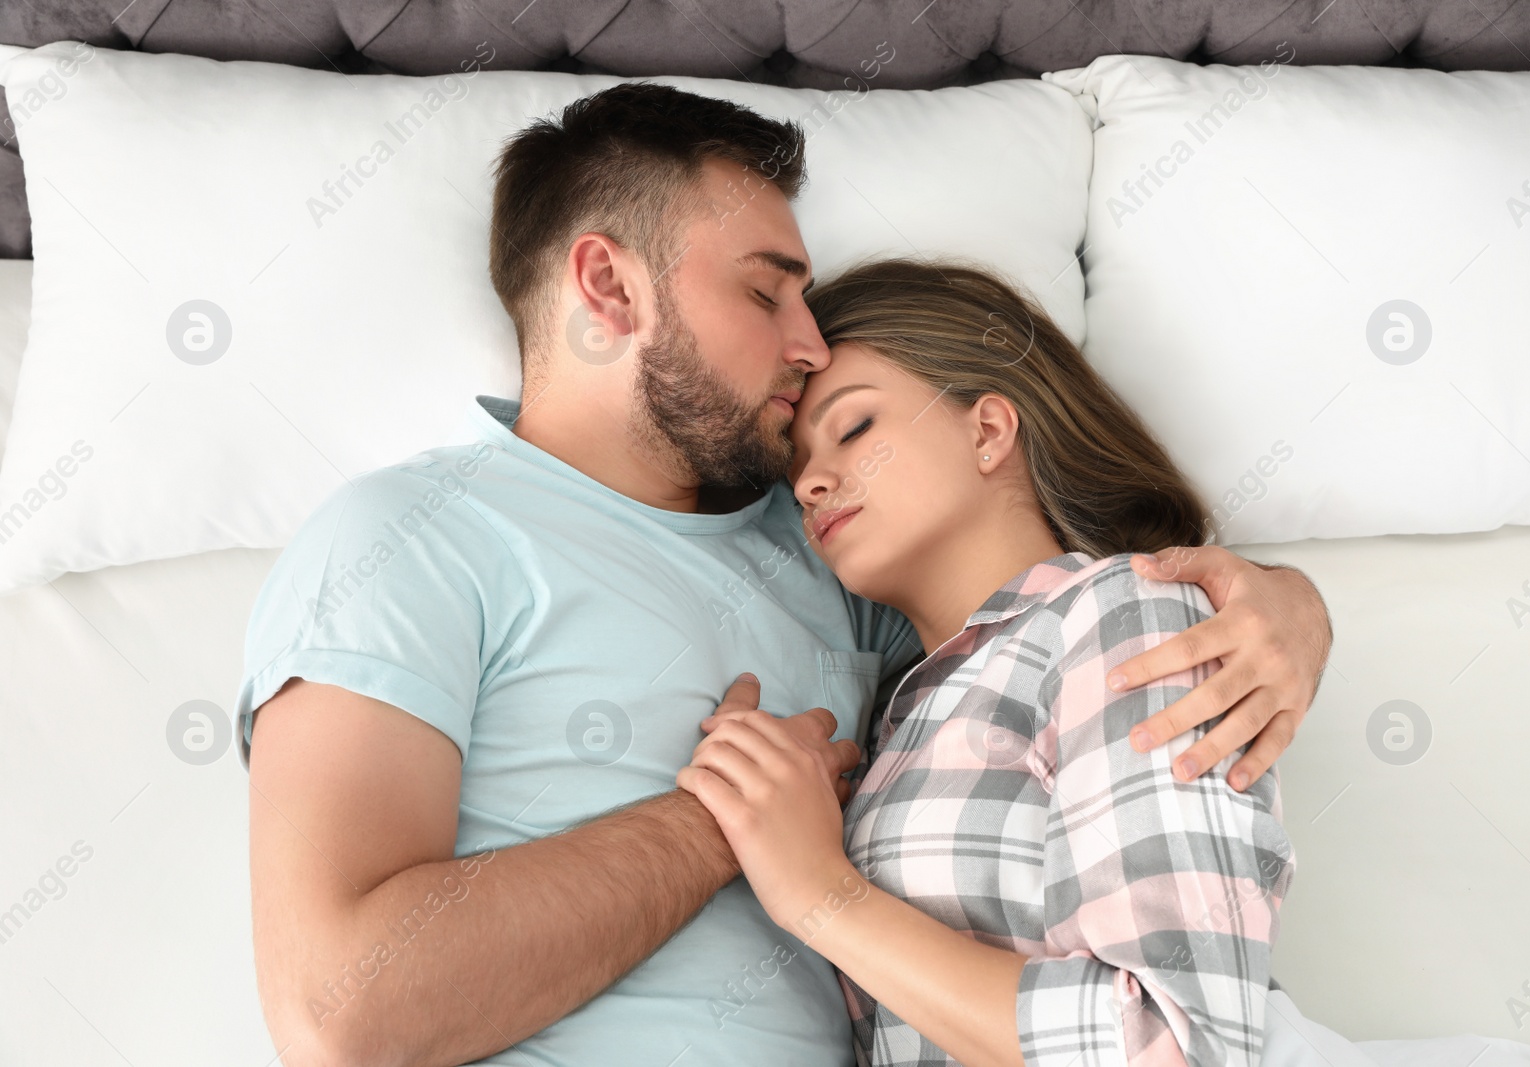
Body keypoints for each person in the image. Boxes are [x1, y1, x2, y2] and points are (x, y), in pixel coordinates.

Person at [236, 83, 1331, 1067]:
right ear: (608, 286)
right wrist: (721, 827)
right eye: (768, 295)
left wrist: (1285, 602)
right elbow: (343, 1014)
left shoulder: (829, 555)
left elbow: (1031, 612)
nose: (808, 342)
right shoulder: (407, 538)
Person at [677, 258, 1530, 1067]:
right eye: (796, 461)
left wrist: (821, 894)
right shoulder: (909, 708)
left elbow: (1170, 1044)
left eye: (854, 427)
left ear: (990, 429)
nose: (810, 481)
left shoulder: (1122, 615)